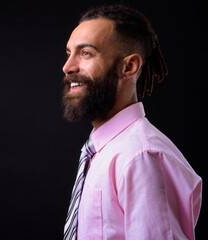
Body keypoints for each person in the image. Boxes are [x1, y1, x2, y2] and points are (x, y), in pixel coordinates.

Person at [62, 5, 202, 240]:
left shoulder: (141, 156)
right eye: (69, 53)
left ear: (128, 66)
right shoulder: (102, 151)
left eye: (85, 53)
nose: (67, 67)